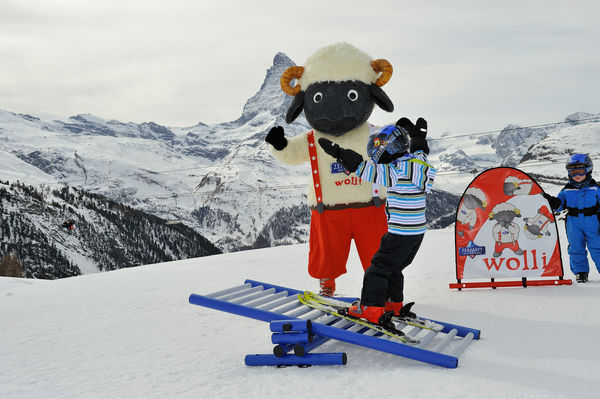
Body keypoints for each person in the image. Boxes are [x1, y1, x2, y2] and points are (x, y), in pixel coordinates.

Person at [319, 117, 436, 324]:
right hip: (416, 233)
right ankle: (393, 304)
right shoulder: (420, 163)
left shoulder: (395, 172)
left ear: (386, 150)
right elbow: (420, 150)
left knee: (377, 269)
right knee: (393, 268)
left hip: (400, 233)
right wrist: (418, 136)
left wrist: (338, 152)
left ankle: (371, 309)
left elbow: (362, 168)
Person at [543, 154, 600, 283]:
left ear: (588, 169)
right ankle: (581, 272)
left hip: (593, 221)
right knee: (575, 247)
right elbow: (559, 205)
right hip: (573, 223)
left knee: (597, 246)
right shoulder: (567, 190)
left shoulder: (596, 189)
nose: (576, 175)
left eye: (580, 171)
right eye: (573, 172)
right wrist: (552, 201)